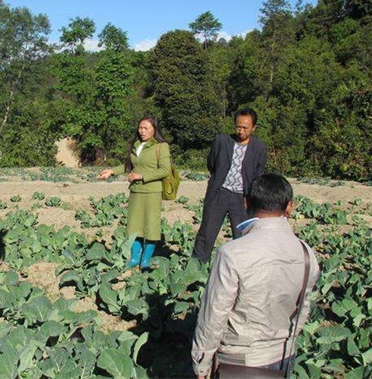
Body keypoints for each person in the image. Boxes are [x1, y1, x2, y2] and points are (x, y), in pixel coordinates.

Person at [191, 174, 320, 378]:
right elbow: (303, 310)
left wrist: (202, 362)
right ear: (289, 206)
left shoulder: (232, 253)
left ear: (245, 202)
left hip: (238, 361)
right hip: (282, 358)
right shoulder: (306, 253)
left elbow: (214, 315)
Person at [192, 108, 267, 263]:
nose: (241, 131)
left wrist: (251, 198)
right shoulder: (222, 141)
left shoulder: (259, 148)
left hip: (242, 198)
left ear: (253, 128)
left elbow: (258, 174)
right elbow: (211, 163)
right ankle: (196, 266)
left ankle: (241, 270)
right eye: (238, 126)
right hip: (219, 193)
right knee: (206, 232)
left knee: (242, 236)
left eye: (245, 128)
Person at [98, 116, 171, 272]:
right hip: (136, 191)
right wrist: (111, 171)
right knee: (134, 226)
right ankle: (134, 258)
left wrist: (141, 176)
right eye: (140, 128)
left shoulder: (161, 146)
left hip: (152, 192)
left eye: (146, 128)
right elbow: (128, 166)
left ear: (154, 129)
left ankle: (145, 261)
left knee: (151, 227)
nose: (142, 131)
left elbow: (165, 170)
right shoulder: (136, 145)